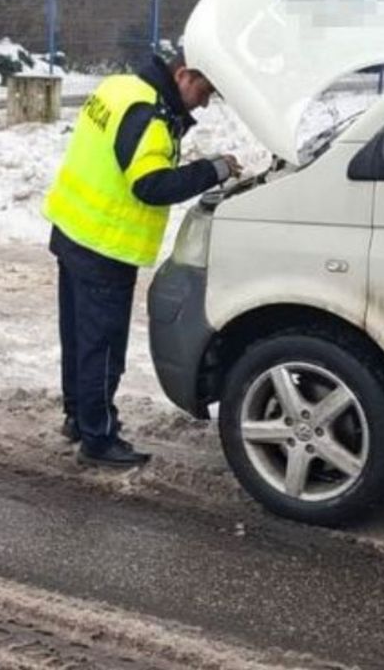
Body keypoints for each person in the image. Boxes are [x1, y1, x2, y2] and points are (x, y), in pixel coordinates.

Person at [43, 51, 241, 468]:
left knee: (78, 339)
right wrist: (212, 170)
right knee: (102, 349)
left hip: (73, 229)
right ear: (183, 75)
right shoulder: (150, 113)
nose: (204, 103)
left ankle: (79, 418)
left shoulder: (119, 88)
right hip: (105, 246)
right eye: (204, 91)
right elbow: (151, 185)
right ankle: (99, 440)